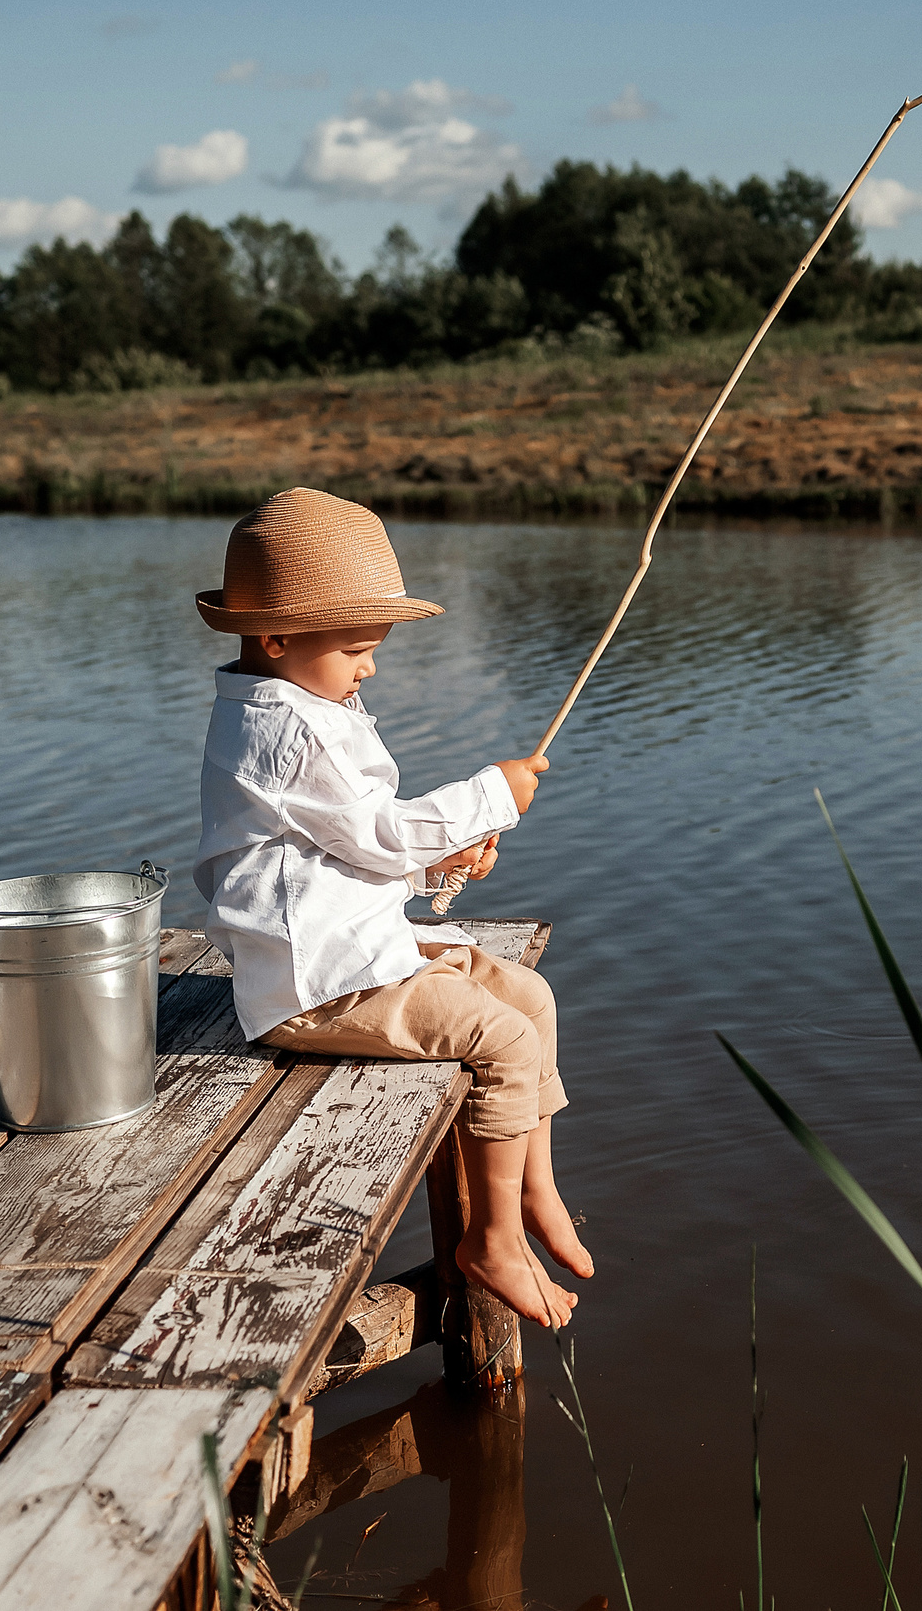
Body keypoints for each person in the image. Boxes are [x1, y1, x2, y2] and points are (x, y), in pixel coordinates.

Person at [191, 487, 589, 1327]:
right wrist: (491, 795)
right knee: (506, 1037)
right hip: (321, 987)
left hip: (352, 949)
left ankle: (533, 1189)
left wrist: (432, 864)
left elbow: (329, 858)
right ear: (275, 638)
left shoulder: (297, 706)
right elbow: (373, 832)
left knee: (529, 995)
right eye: (358, 648)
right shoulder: (290, 730)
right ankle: (492, 1241)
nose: (370, 665)